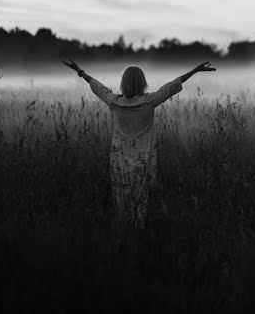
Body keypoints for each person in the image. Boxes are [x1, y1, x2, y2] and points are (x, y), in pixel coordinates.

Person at [61, 57, 216, 228]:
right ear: (143, 82)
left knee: (120, 196)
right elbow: (171, 86)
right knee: (140, 199)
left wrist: (80, 71)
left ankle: (122, 231)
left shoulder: (114, 102)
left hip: (119, 158)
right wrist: (194, 70)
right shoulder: (149, 101)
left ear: (123, 83)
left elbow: (98, 87)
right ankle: (137, 229)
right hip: (143, 159)